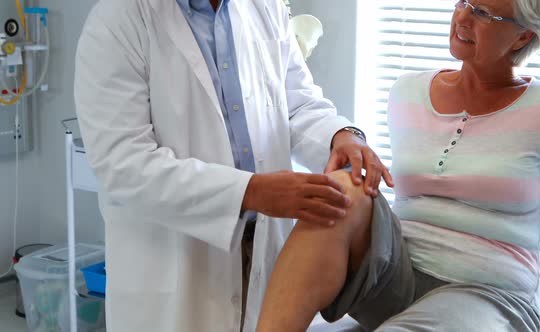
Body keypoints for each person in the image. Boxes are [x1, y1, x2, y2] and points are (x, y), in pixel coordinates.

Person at [256, 0, 540, 331]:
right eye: (464, 2)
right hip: (394, 274)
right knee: (340, 191)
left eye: (483, 13)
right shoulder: (408, 91)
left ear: (523, 37)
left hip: (489, 291)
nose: (463, 16)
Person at [73, 0, 393, 331]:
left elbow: (297, 103)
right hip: (175, 260)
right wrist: (249, 192)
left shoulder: (262, 7)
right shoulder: (118, 20)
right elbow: (122, 163)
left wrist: (341, 136)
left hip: (265, 246)